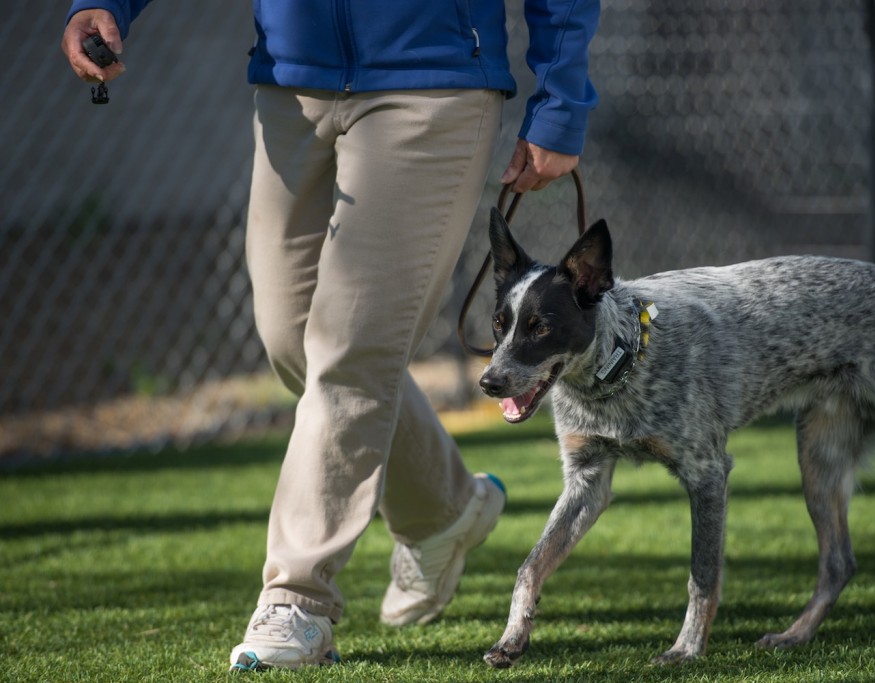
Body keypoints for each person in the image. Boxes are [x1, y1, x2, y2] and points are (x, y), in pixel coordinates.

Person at [61, 0, 599, 672]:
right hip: (293, 80)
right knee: (292, 337)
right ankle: (443, 507)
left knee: (351, 346)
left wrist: (561, 98)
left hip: (429, 82)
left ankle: (298, 596)